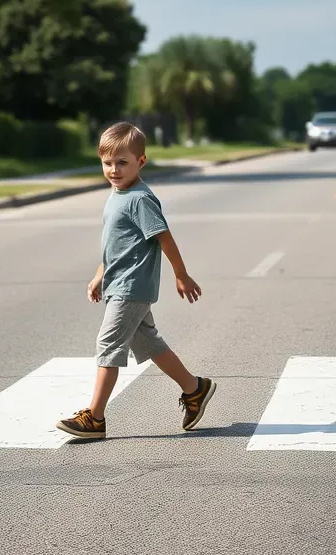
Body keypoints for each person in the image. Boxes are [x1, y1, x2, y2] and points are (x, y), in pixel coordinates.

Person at [56, 121, 217, 440]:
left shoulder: (140, 199)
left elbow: (164, 238)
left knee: (108, 344)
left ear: (141, 162)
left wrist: (181, 275)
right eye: (107, 163)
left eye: (122, 162)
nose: (114, 170)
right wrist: (100, 275)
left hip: (132, 288)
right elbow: (115, 243)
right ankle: (195, 388)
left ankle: (95, 418)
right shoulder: (117, 195)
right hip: (119, 284)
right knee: (149, 343)